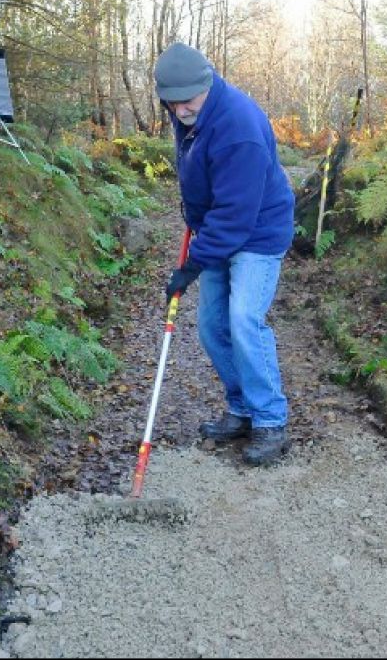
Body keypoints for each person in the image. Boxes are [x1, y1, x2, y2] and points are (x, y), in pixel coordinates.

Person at [153, 41, 295, 466]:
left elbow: (236, 215)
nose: (180, 111)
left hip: (257, 233)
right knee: (211, 327)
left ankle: (270, 420)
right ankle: (243, 409)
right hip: (218, 228)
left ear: (208, 84)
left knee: (243, 321)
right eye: (171, 103)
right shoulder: (192, 113)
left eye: (187, 101)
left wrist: (191, 265)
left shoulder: (239, 127)